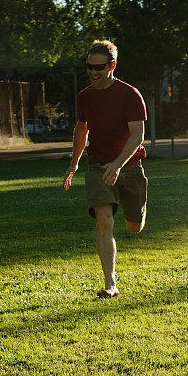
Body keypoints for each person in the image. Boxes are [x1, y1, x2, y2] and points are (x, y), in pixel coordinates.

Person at [63, 40, 148, 298]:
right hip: (98, 168)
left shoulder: (130, 95)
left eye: (99, 67)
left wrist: (118, 164)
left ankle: (130, 210)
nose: (93, 72)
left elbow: (138, 135)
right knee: (103, 219)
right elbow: (82, 128)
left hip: (130, 167)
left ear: (112, 65)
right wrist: (75, 161)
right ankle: (110, 283)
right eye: (89, 67)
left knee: (135, 227)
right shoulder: (85, 97)